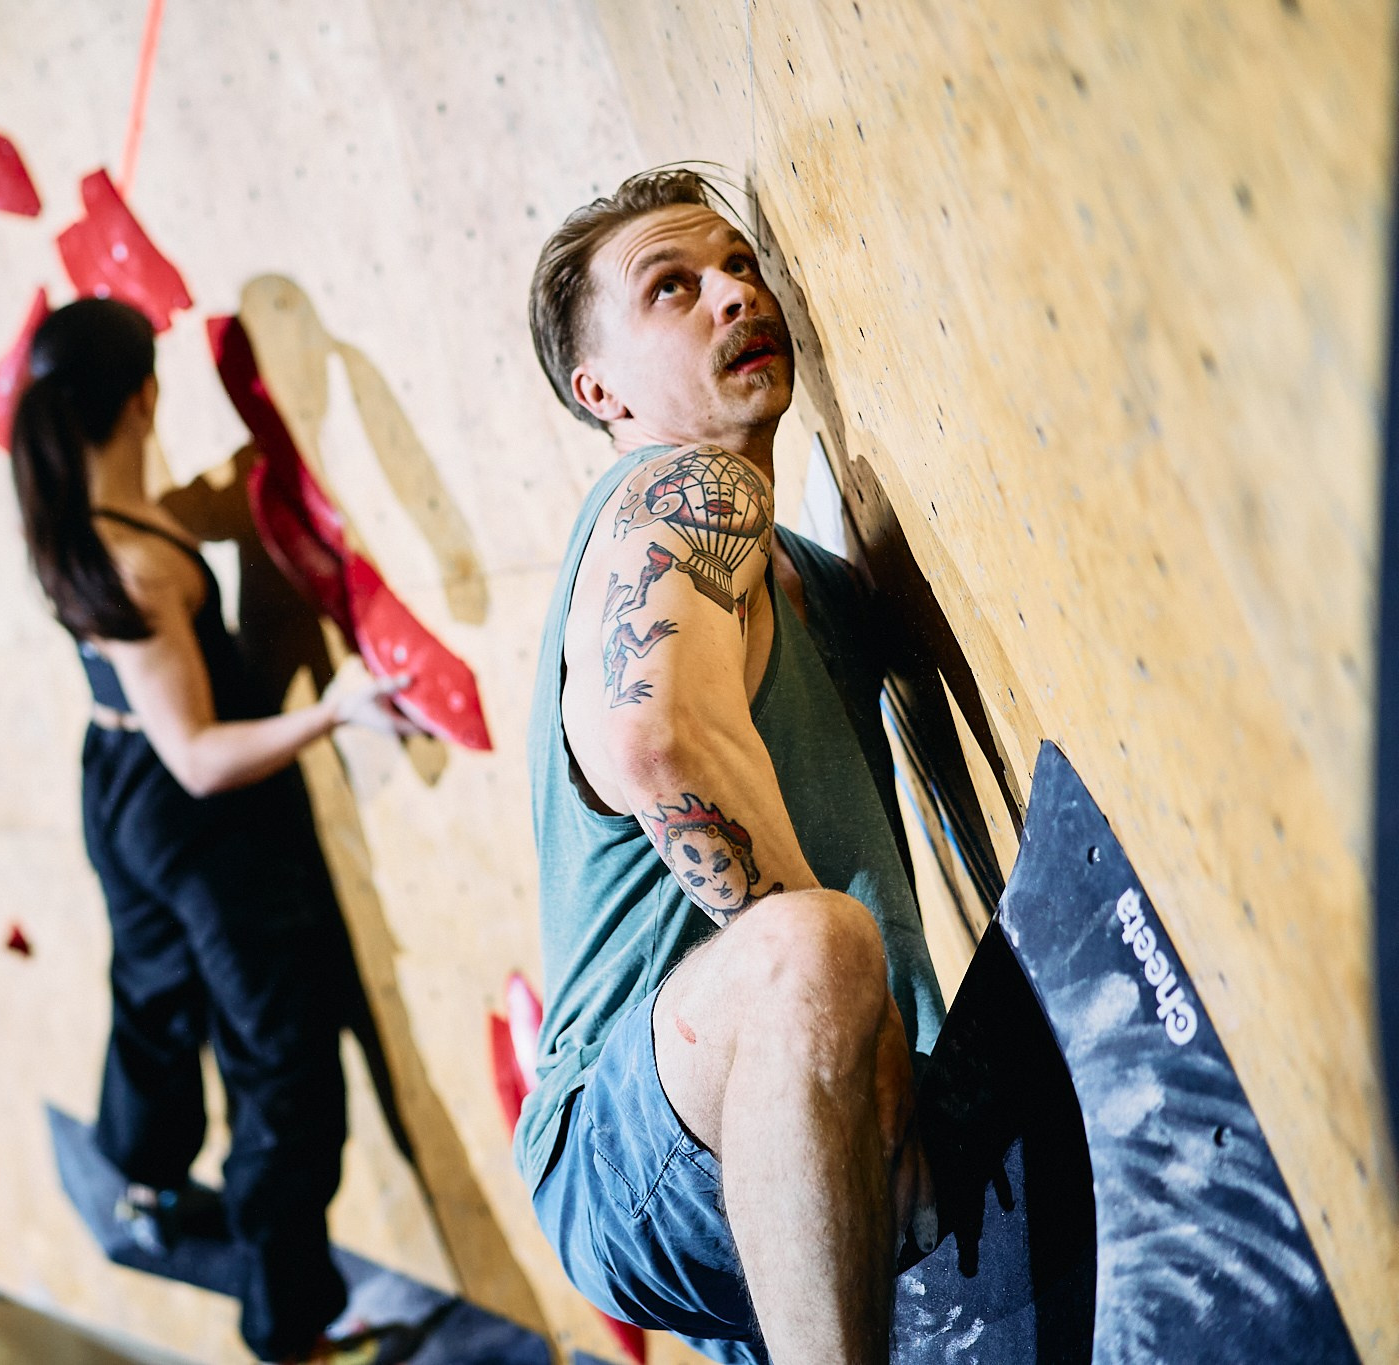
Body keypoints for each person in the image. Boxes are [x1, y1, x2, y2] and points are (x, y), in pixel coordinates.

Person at [517, 167, 948, 1363]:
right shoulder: (678, 487)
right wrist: (840, 1021)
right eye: (672, 286)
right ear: (598, 389)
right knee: (810, 944)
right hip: (629, 1139)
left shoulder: (799, 561)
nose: (730, 295)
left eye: (739, 267)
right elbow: (649, 738)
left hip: (737, 1140)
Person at [8, 297, 412, 1365]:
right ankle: (289, 1328)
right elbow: (195, 754)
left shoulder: (75, 516)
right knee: (280, 1066)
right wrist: (331, 711)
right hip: (189, 812)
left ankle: (140, 1172)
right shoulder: (133, 559)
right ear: (143, 395)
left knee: (152, 989)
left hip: (118, 788)